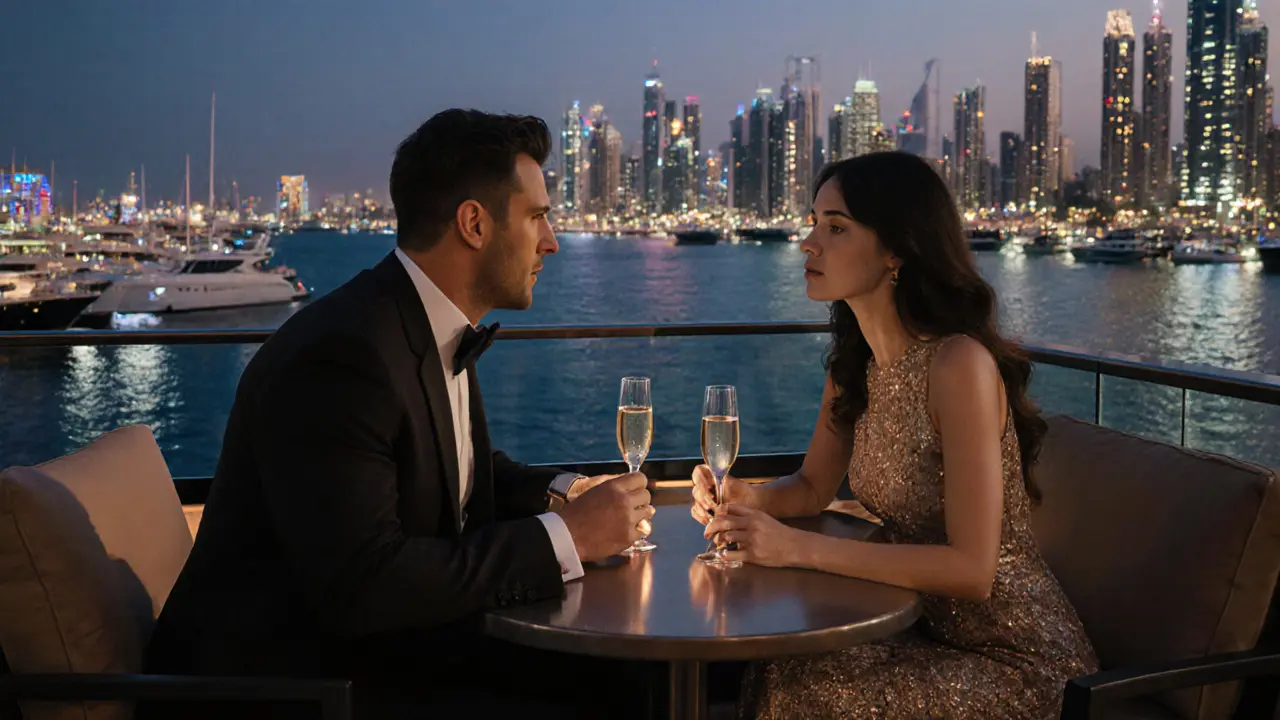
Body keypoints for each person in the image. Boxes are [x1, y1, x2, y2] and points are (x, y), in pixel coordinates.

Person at [144, 109, 656, 718]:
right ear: (474, 223)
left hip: (380, 657)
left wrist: (566, 491)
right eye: (538, 216)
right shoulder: (342, 356)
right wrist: (565, 539)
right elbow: (363, 584)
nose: (551, 241)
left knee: (632, 677)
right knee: (617, 690)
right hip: (297, 688)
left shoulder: (413, 324)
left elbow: (457, 467)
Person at [693, 152, 1098, 719]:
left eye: (835, 228)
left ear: (896, 251)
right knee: (780, 661)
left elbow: (973, 570)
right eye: (813, 222)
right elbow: (812, 487)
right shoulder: (853, 367)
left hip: (1017, 660)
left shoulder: (958, 365)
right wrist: (748, 498)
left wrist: (795, 549)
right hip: (926, 630)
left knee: (806, 689)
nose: (808, 242)